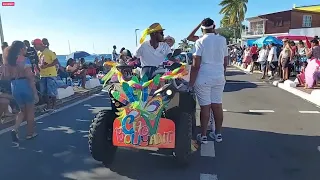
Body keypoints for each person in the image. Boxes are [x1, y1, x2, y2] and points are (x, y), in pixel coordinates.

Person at [190, 18, 228, 143]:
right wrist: (222, 74)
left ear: (202, 28)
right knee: (217, 106)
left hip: (204, 77)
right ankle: (218, 134)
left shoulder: (200, 41)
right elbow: (225, 61)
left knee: (205, 107)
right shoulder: (222, 40)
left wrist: (191, 83)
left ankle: (204, 135)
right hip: (218, 76)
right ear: (214, 26)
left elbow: (195, 65)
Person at [2, 41, 39, 142]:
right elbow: (29, 77)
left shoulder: (8, 61)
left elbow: (5, 76)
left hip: (14, 86)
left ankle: (15, 129)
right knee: (30, 110)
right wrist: (35, 92)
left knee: (22, 110)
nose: (26, 49)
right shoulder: (25, 60)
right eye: (25, 48)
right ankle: (30, 133)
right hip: (25, 85)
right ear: (21, 49)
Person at [33, 39, 59, 112]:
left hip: (51, 74)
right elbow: (40, 62)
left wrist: (47, 66)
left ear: (39, 44)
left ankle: (53, 106)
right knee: (44, 91)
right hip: (43, 74)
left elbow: (56, 61)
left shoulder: (48, 52)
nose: (34, 46)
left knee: (52, 91)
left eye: (35, 45)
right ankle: (48, 106)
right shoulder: (38, 53)